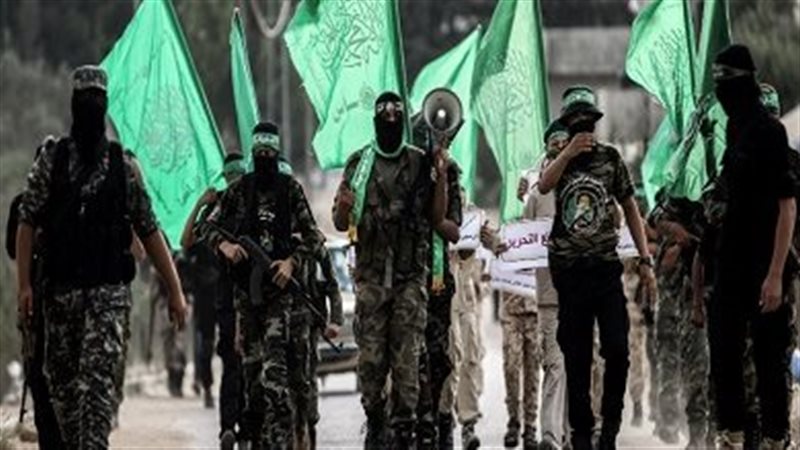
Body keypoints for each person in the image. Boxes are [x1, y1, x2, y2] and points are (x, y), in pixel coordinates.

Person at [15, 65, 187, 449]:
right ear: (73, 104)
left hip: (107, 302)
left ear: (105, 105)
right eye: (84, 99)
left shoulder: (122, 167)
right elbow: (26, 221)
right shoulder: (52, 161)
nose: (90, 106)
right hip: (60, 302)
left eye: (96, 99)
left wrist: (175, 290)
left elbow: (149, 230)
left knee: (95, 402)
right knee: (65, 402)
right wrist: (24, 286)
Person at [537, 85, 656, 450]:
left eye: (589, 121)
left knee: (617, 349)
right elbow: (544, 185)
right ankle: (582, 432)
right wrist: (567, 152)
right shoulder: (557, 157)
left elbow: (630, 206)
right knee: (576, 355)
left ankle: (611, 424)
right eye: (577, 122)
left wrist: (644, 259)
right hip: (569, 272)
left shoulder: (610, 158)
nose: (584, 127)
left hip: (605, 269)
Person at [332, 91, 447, 448]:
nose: (392, 125)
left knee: (407, 362)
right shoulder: (359, 164)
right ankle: (375, 420)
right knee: (370, 363)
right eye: (385, 121)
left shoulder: (419, 162)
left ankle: (403, 428)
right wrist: (345, 206)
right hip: (371, 279)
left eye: (397, 119)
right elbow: (340, 222)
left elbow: (437, 217)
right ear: (376, 124)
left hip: (409, 279)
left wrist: (441, 175)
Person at [204, 121, 323, 449]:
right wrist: (225, 246)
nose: (266, 157)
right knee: (253, 385)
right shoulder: (239, 191)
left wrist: (291, 263)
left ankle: (280, 442)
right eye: (260, 152)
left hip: (279, 300)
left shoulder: (290, 189)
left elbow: (314, 236)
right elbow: (206, 227)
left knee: (275, 382)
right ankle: (257, 439)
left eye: (271, 152)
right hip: (247, 300)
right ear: (253, 153)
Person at [707, 45, 796, 450]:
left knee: (769, 361)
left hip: (764, 266)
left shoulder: (769, 132)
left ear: (744, 81)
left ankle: (775, 440)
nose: (720, 89)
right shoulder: (734, 129)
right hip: (731, 264)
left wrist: (775, 274)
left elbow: (787, 206)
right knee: (724, 356)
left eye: (725, 80)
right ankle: (732, 437)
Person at [6, 137, 64, 449]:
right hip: (35, 303)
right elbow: (13, 249)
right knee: (37, 373)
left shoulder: (65, 203)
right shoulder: (23, 204)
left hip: (59, 300)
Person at [411, 106, 463, 450]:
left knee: (438, 357)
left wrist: (440, 180)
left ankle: (440, 422)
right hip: (405, 279)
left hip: (436, 282)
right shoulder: (403, 170)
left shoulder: (450, 171)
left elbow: (451, 230)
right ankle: (417, 423)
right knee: (409, 359)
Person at [187, 151, 247, 448]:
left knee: (249, 366)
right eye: (230, 178)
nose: (234, 184)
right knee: (231, 362)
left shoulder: (255, 205)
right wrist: (200, 203)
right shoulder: (216, 211)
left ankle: (245, 428)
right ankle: (228, 427)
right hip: (222, 301)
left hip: (252, 300)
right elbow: (187, 240)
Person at [648, 196, 710, 447]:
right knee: (685, 363)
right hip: (680, 303)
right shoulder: (679, 198)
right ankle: (683, 427)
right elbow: (654, 219)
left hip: (713, 294)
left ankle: (705, 431)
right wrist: (676, 234)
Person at [440, 189, 485, 450]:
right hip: (441, 298)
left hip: (464, 299)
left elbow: (482, 240)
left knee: (469, 358)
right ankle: (444, 419)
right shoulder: (431, 207)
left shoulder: (470, 213)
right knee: (449, 358)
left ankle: (468, 424)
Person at [302, 244, 344, 450]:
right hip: (277, 324)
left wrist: (335, 320)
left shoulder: (315, 247)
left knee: (307, 378)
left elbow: (332, 285)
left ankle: (309, 431)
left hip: (308, 326)